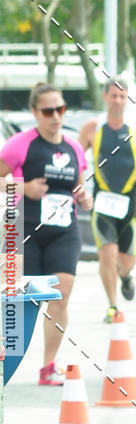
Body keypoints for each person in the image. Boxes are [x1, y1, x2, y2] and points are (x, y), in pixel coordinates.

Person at [0, 83, 92, 384]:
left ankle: (48, 366)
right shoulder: (20, 144)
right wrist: (24, 187)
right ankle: (6, 364)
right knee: (17, 301)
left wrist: (85, 197)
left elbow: (79, 186)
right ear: (35, 112)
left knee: (61, 295)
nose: (56, 116)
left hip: (64, 230)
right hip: (23, 228)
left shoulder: (74, 148)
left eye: (60, 109)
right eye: (48, 111)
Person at [78, 77, 136, 323]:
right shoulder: (92, 127)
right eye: (113, 95)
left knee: (127, 260)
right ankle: (113, 306)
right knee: (107, 252)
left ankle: (125, 275)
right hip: (103, 200)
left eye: (122, 96)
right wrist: (80, 188)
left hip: (130, 202)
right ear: (105, 97)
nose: (118, 100)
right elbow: (77, 159)